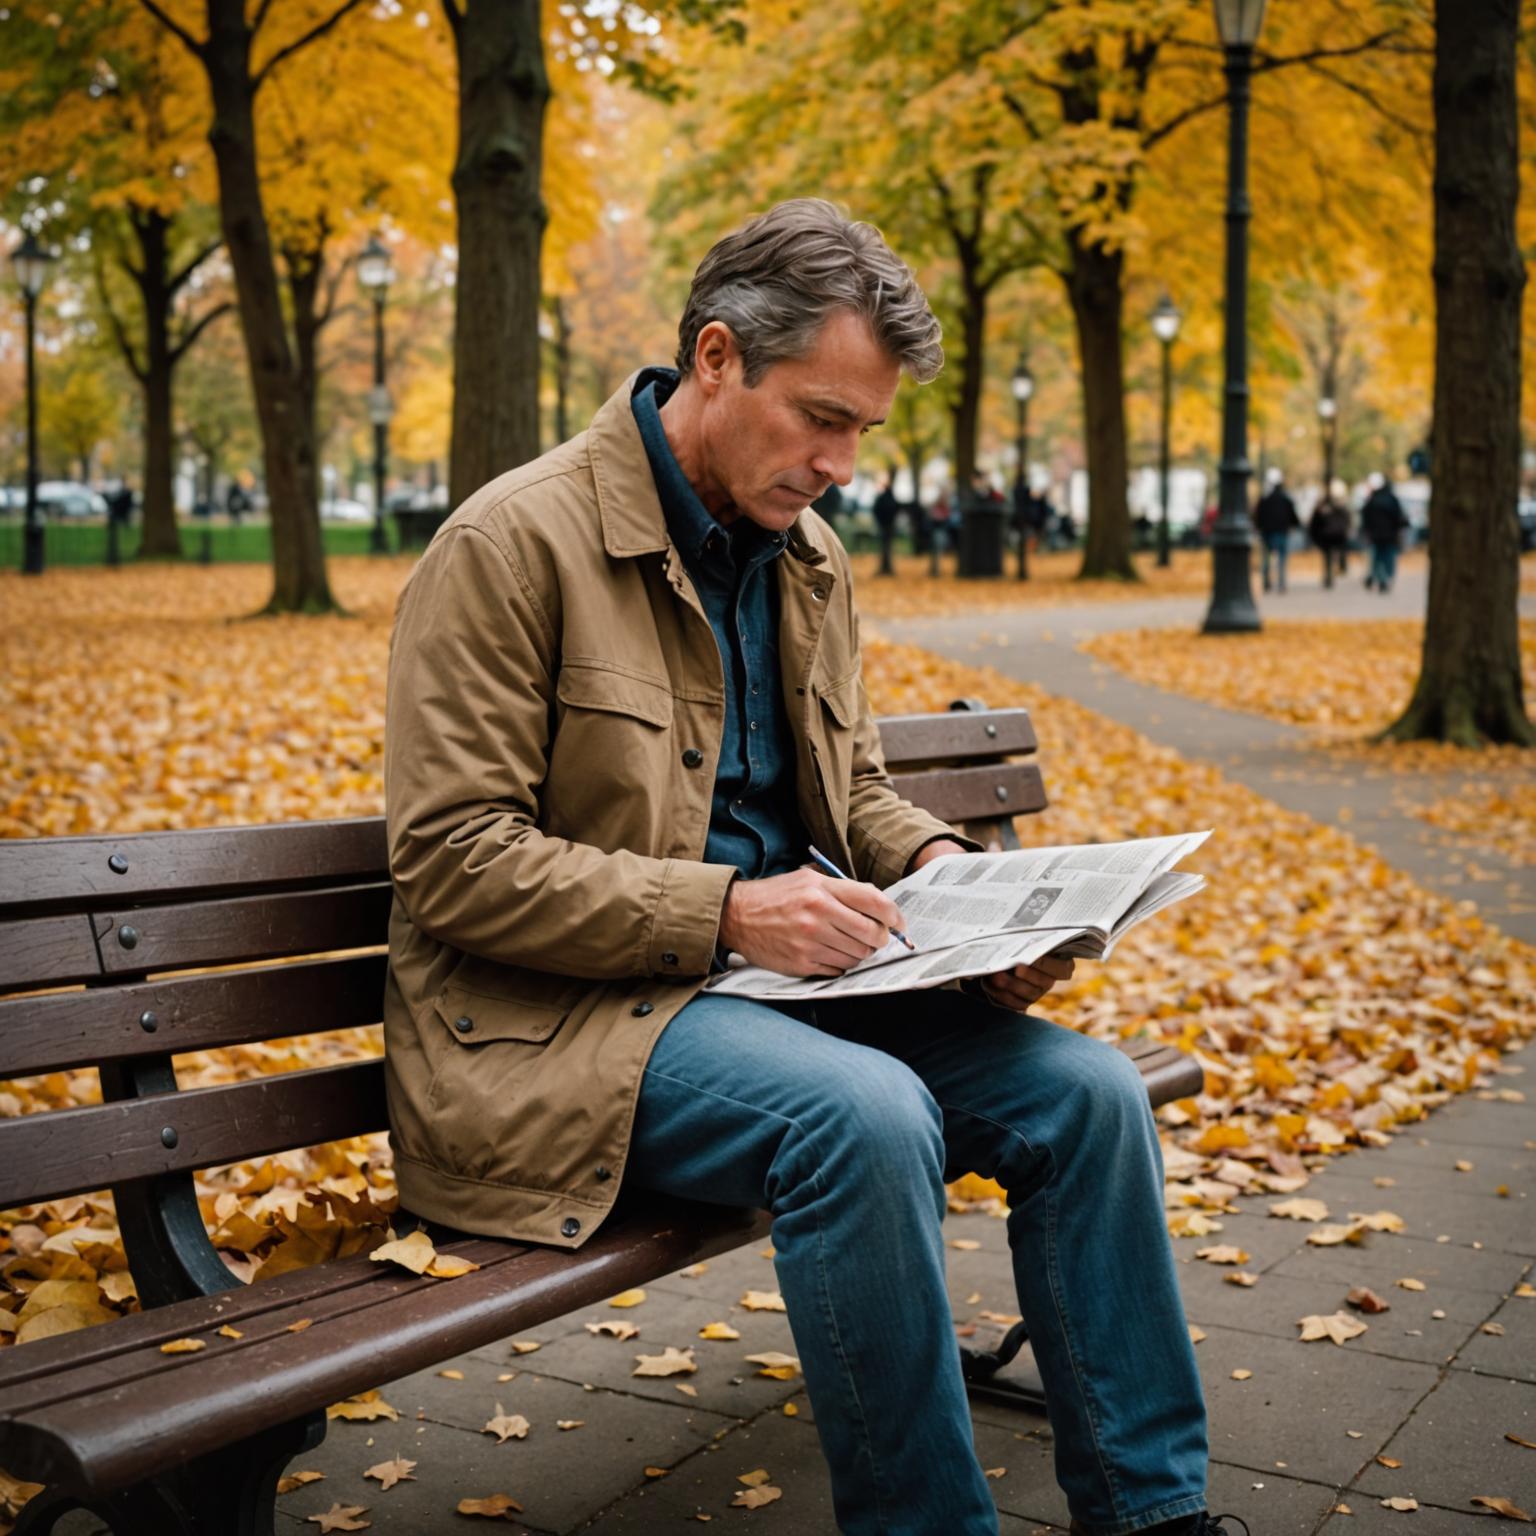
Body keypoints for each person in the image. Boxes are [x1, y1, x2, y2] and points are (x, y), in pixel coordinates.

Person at [384, 198, 1231, 1536]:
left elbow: (858, 789)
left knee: (1090, 1095)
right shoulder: (510, 546)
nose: (843, 462)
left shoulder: (810, 557)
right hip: (558, 1031)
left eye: (863, 432)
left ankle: (1152, 1511)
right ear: (715, 359)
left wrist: (955, 879)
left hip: (784, 1002)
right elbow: (454, 863)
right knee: (865, 1120)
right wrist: (725, 910)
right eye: (820, 417)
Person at [1253, 467, 1300, 592]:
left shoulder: (1264, 499)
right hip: (1280, 531)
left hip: (1267, 531)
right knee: (1281, 558)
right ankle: (1281, 583)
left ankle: (1266, 582)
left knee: (1267, 557)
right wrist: (1294, 525)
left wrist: (1258, 527)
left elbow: (1257, 516)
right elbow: (1292, 515)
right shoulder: (1285, 498)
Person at [1360, 472, 1408, 593]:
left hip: (1376, 535)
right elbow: (1399, 517)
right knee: (1387, 558)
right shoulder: (1392, 499)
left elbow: (1365, 517)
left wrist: (1366, 531)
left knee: (1376, 558)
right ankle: (1384, 578)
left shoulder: (1372, 500)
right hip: (1389, 535)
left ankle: (1377, 578)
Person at [1307, 480, 1350, 590]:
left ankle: (1330, 574)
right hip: (1330, 536)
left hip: (1328, 535)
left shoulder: (1327, 506)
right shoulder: (1337, 507)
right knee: (1330, 556)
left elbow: (1314, 523)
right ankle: (1330, 574)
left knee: (1329, 556)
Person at [872, 475, 900, 576]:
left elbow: (876, 510)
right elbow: (896, 510)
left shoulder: (883, 498)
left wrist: (880, 521)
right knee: (886, 547)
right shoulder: (891, 498)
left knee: (885, 547)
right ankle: (886, 567)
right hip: (887, 525)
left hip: (885, 525)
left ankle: (886, 567)